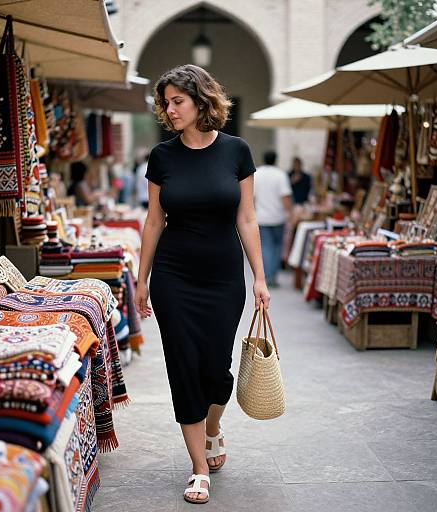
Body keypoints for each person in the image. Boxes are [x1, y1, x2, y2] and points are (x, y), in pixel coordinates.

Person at [134, 64, 270, 505]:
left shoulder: (237, 151)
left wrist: (260, 279)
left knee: (216, 368)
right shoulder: (162, 157)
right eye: (166, 103)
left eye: (178, 101)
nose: (169, 110)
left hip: (223, 276)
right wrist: (142, 279)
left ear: (200, 101)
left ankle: (213, 428)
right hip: (173, 276)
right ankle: (197, 467)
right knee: (183, 366)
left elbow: (246, 218)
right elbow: (154, 221)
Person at [254, 150, 293, 287]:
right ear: (276, 159)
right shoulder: (280, 174)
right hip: (278, 217)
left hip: (261, 217)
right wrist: (290, 213)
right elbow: (286, 196)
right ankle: (273, 275)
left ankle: (268, 276)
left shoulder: (256, 173)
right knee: (277, 247)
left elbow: (252, 196)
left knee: (265, 247)